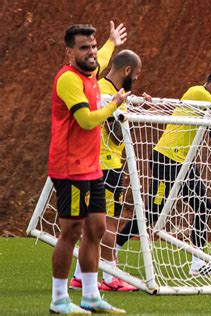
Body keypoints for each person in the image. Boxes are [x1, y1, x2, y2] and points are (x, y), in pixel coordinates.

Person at [115, 67, 211, 276]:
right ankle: (113, 249)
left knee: (202, 204)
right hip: (166, 160)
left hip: (182, 163)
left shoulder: (200, 98)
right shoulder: (201, 95)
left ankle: (198, 263)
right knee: (151, 214)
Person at [48, 22, 130, 314]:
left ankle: (91, 296)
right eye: (85, 48)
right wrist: (115, 105)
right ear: (70, 52)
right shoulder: (68, 80)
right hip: (69, 167)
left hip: (91, 167)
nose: (92, 53)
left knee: (95, 228)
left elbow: (104, 58)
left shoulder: (91, 69)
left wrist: (111, 42)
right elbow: (86, 121)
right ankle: (59, 299)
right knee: (71, 231)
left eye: (93, 47)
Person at [69, 50, 150, 292]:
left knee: (93, 225)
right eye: (135, 75)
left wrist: (134, 107)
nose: (135, 80)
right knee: (108, 224)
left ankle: (80, 276)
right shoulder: (108, 94)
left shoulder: (99, 87)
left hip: (96, 164)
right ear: (127, 71)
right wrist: (127, 110)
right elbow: (115, 136)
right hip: (107, 165)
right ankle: (111, 276)